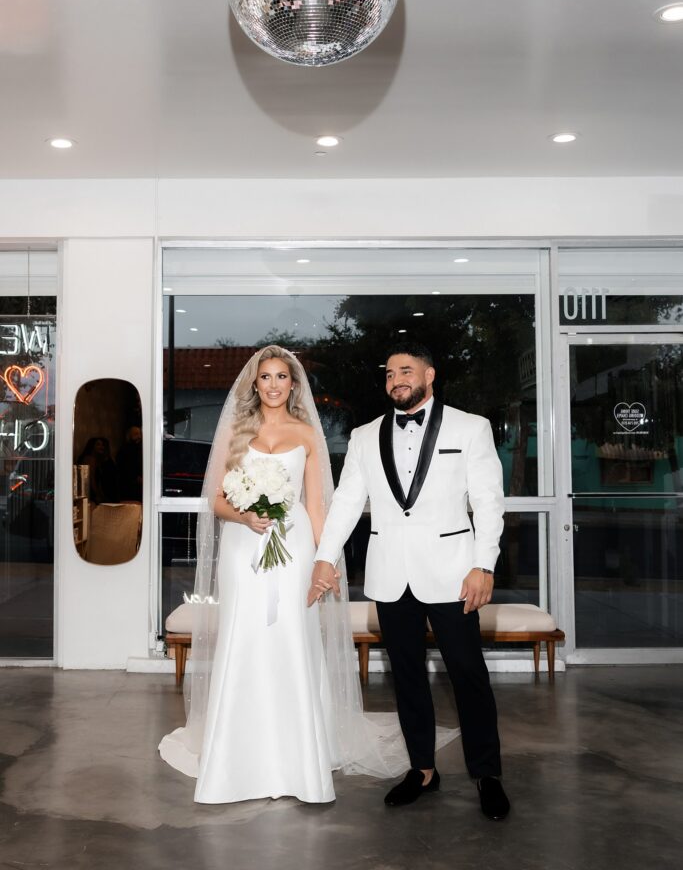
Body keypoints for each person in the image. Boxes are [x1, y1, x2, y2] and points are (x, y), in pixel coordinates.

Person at [159, 345, 416, 804]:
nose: (274, 385)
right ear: (254, 385)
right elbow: (215, 500)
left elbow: (317, 505)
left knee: (293, 637)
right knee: (247, 636)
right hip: (243, 550)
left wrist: (327, 560)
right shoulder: (237, 431)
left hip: (294, 547)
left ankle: (299, 757)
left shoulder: (307, 434)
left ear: (293, 385)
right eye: (266, 378)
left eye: (282, 377)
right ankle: (238, 756)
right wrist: (244, 518)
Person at [309, 341, 511, 820]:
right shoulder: (362, 436)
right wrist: (324, 558)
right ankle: (422, 769)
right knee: (406, 677)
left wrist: (484, 565)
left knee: (468, 674)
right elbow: (345, 504)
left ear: (430, 374)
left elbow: (488, 501)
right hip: (389, 575)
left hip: (455, 574)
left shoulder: (471, 427)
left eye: (406, 370)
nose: (396, 379)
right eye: (389, 373)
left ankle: (488, 774)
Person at [117, 425, 143, 501]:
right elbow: (125, 467)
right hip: (129, 486)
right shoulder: (125, 450)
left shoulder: (139, 449)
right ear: (129, 436)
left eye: (140, 434)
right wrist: (136, 477)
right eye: (136, 434)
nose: (139, 437)